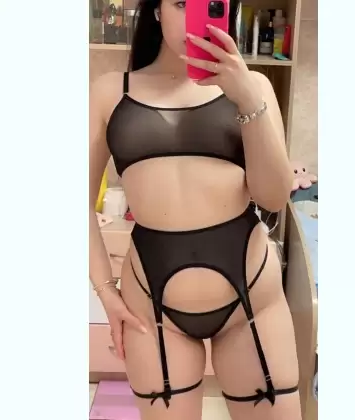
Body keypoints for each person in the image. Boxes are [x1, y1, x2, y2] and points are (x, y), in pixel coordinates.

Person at [89, 0, 301, 419]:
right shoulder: (111, 91)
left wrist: (247, 98)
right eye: (180, 3)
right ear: (156, 11)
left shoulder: (255, 86)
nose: (192, 18)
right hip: (152, 306)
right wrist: (105, 291)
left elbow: (274, 197)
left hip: (251, 299)